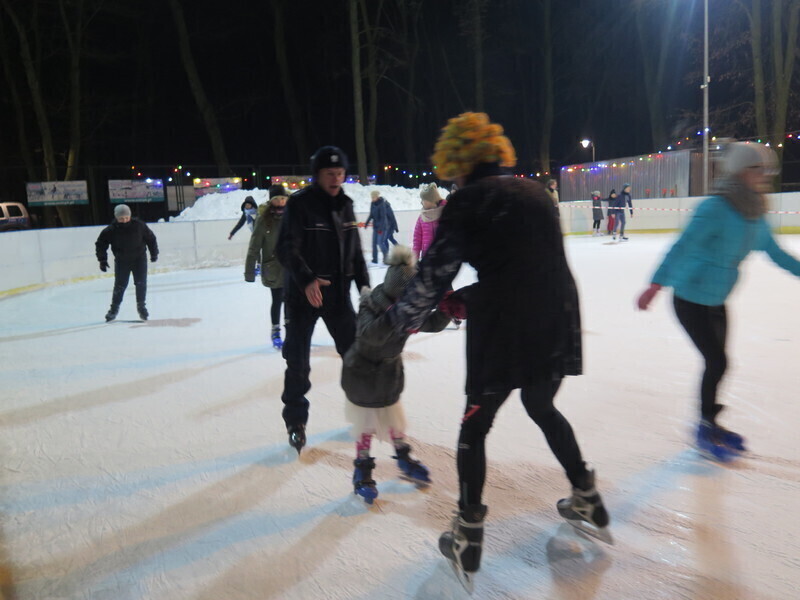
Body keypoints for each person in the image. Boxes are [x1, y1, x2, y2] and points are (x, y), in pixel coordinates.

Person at [387, 112, 611, 586]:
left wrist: (400, 321)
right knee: (541, 404)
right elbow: (528, 265)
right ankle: (586, 493)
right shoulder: (535, 192)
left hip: (507, 326)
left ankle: (468, 530)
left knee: (476, 423)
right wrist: (469, 298)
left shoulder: (466, 201)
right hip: (558, 314)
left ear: (457, 160)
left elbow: (433, 276)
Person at [637, 141, 800, 462]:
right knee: (718, 362)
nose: (765, 176)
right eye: (759, 170)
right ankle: (705, 424)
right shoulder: (714, 208)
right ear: (741, 172)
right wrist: (656, 284)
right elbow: (682, 246)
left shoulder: (755, 213)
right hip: (690, 297)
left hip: (718, 299)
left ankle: (709, 420)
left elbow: (776, 253)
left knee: (719, 362)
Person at [276, 146, 370, 453]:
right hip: (303, 296)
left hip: (337, 296)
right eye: (330, 173)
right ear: (317, 175)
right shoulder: (300, 204)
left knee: (356, 357)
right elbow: (286, 248)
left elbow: (355, 253)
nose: (336, 178)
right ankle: (295, 422)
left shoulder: (346, 205)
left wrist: (366, 290)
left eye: (340, 173)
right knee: (298, 363)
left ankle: (363, 412)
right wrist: (306, 280)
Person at [341, 245, 451, 503]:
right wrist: (395, 317)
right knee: (366, 423)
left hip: (389, 375)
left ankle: (403, 457)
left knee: (393, 420)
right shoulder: (370, 305)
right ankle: (362, 468)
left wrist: (448, 309)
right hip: (362, 374)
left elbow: (431, 323)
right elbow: (369, 336)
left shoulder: (408, 309)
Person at [95, 203, 158, 322]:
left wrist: (154, 253)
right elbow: (100, 244)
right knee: (120, 285)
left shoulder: (139, 226)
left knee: (141, 283)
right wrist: (102, 260)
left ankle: (141, 307)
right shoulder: (111, 230)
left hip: (139, 259)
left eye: (126, 218)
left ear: (130, 216)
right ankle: (113, 310)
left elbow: (151, 238)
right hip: (121, 261)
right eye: (121, 218)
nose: (124, 221)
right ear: (116, 218)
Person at [245, 185, 289, 349]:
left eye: (283, 199)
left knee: (290, 300)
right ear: (271, 201)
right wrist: (250, 272)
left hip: (292, 267)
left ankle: (290, 329)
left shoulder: (292, 217)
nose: (280, 202)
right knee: (277, 299)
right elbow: (254, 246)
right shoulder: (263, 220)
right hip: (273, 268)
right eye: (277, 199)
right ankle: (276, 330)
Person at [412, 183, 447, 260]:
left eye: (423, 200)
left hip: (443, 256)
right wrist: (415, 258)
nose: (421, 202)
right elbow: (417, 239)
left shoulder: (445, 214)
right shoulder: (422, 217)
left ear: (431, 201)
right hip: (427, 256)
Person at [364, 190, 397, 264]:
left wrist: (380, 228)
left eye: (373, 197)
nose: (372, 198)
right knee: (374, 243)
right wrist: (366, 222)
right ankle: (374, 259)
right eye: (371, 197)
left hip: (382, 227)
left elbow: (383, 217)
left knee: (380, 243)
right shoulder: (372, 203)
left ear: (377, 197)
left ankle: (386, 258)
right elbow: (371, 214)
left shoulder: (382, 204)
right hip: (375, 226)